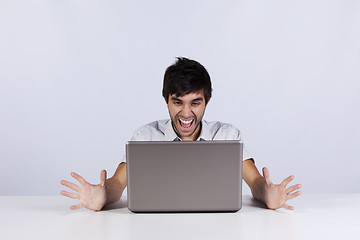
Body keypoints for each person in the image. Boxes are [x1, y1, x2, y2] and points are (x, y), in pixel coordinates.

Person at [60, 57, 302, 211]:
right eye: (177, 102)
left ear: (208, 101)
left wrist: (268, 193)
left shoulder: (227, 135)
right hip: (153, 230)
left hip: (222, 230)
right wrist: (101, 195)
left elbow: (255, 182)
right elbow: (118, 183)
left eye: (195, 103)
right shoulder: (146, 136)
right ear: (166, 100)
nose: (186, 113)